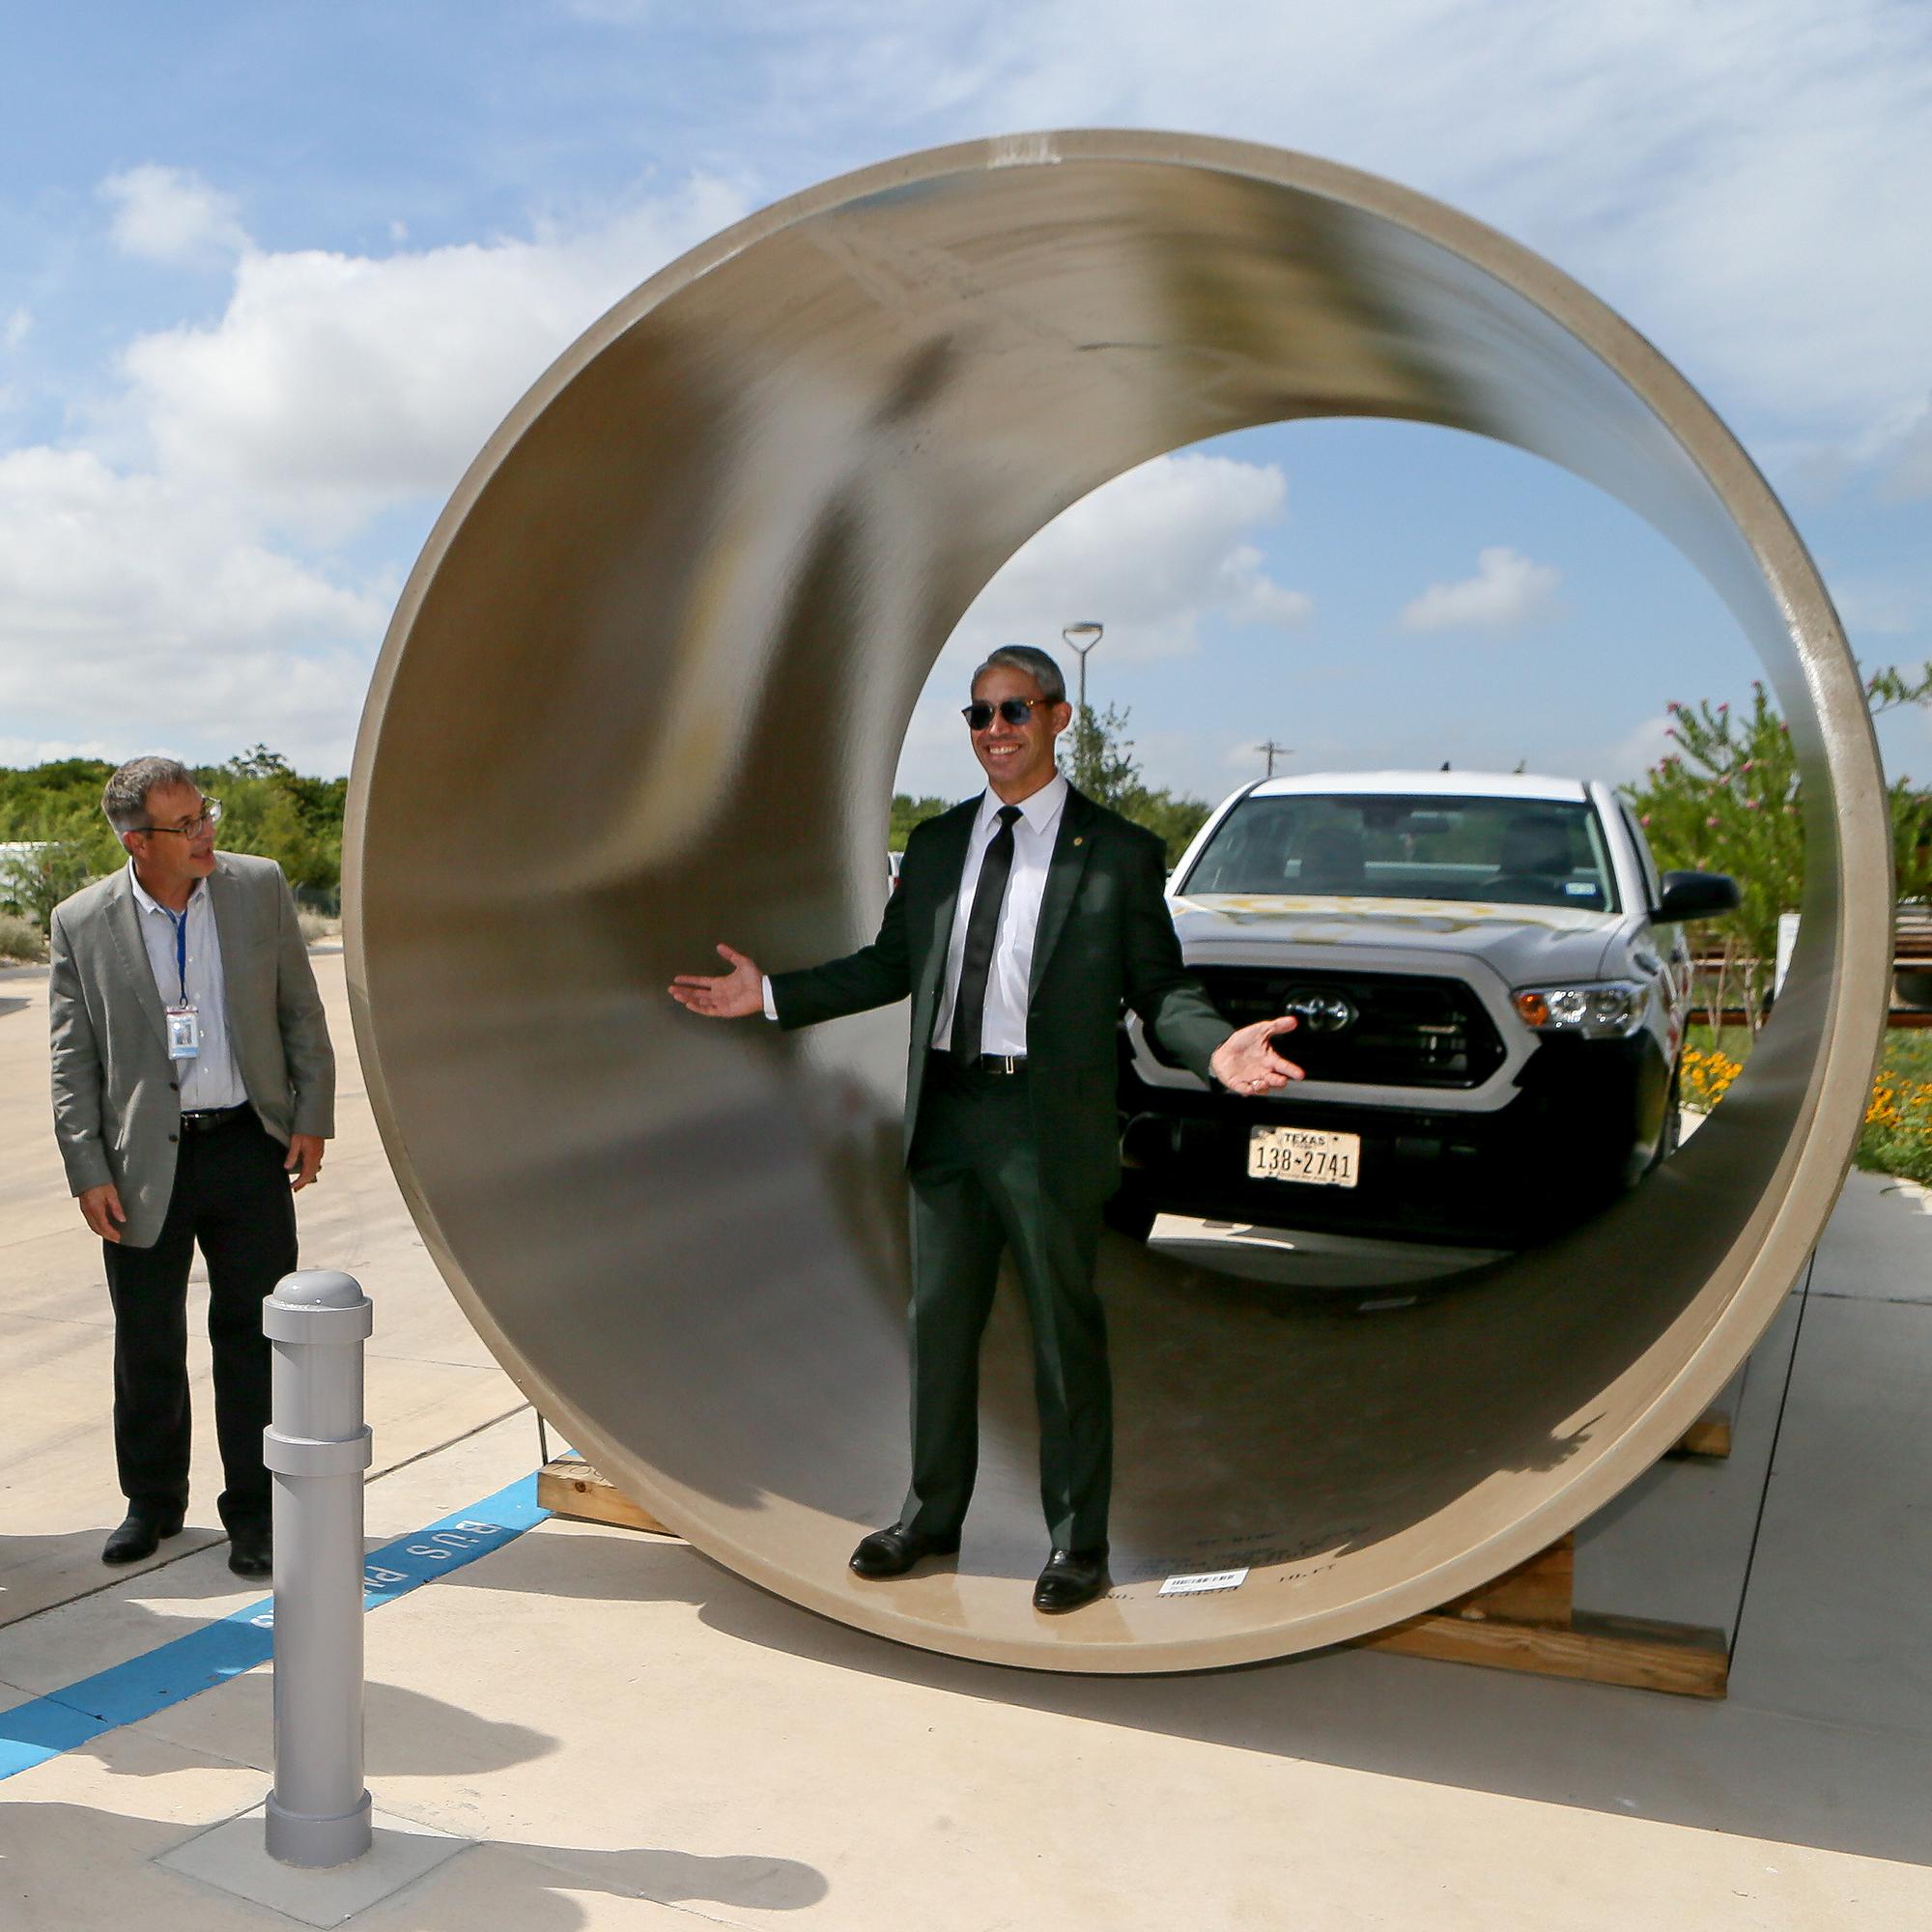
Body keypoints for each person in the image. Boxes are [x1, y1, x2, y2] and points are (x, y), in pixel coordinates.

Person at [670, 647, 1302, 1611]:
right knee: (938, 1328)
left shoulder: (1117, 852)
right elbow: (889, 964)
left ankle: (1076, 1543)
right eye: (977, 715)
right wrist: (771, 994)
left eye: (1012, 711)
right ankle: (928, 1517)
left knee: (1061, 1333)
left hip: (1045, 1121)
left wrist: (1215, 1048)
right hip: (948, 1110)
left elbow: (1158, 988)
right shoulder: (935, 845)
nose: (993, 731)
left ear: (1057, 718)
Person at [47, 757, 335, 1577]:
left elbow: (299, 1011)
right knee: (146, 1342)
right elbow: (73, 1062)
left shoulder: (258, 887)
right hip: (140, 1163)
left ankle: (254, 1514)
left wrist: (311, 1115)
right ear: (138, 843)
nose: (208, 831)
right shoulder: (80, 921)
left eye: (204, 813)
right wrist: (86, 1167)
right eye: (186, 824)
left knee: (253, 1338)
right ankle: (152, 1503)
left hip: (248, 1145)